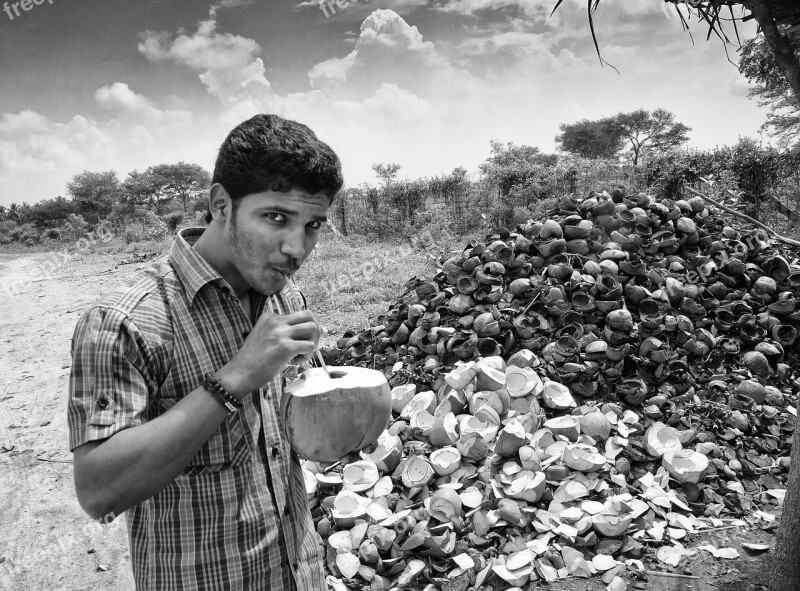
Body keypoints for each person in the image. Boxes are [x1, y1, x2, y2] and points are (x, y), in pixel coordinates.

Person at [67, 114, 343, 590]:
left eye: (313, 224)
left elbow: (282, 435)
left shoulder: (286, 298)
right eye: (276, 217)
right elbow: (97, 491)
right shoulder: (126, 321)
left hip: (299, 573)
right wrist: (233, 379)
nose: (296, 247)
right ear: (221, 205)